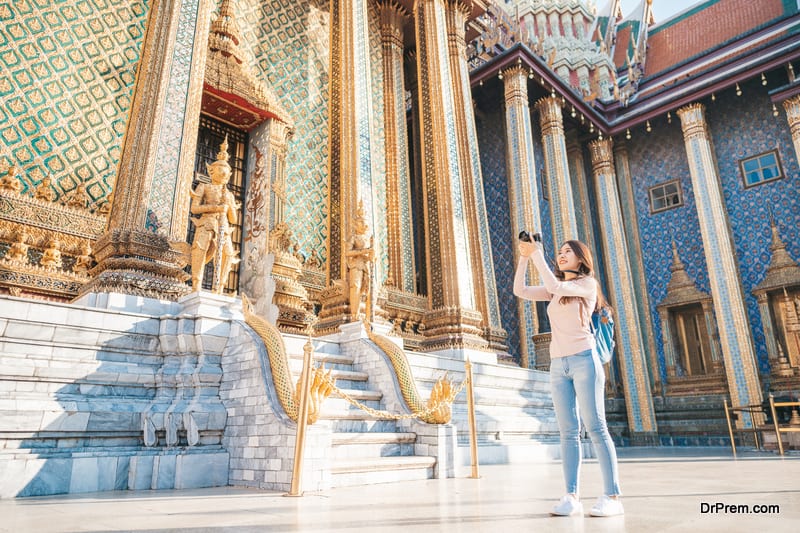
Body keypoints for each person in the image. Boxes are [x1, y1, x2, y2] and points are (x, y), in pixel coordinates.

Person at [514, 235, 623, 517]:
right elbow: (520, 290)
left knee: (596, 427)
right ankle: (571, 495)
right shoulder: (557, 289)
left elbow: (553, 284)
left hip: (584, 360)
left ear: (580, 259)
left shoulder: (587, 284)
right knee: (568, 432)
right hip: (558, 365)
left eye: (568, 252)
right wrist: (525, 255)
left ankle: (612, 495)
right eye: (559, 252)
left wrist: (538, 252)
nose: (562, 255)